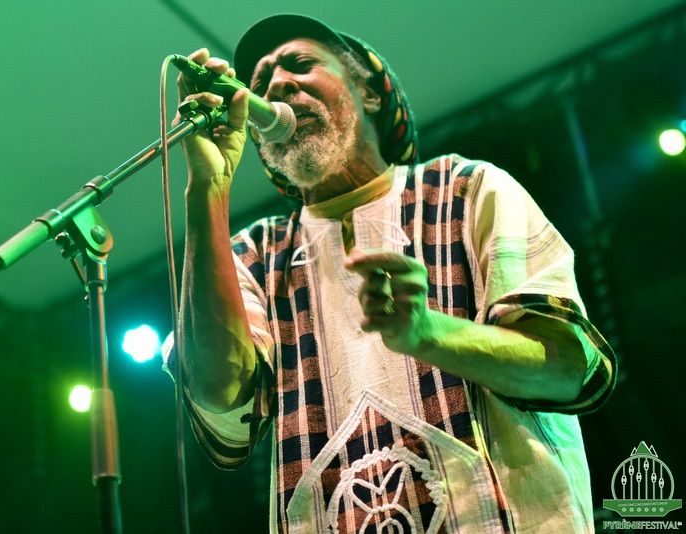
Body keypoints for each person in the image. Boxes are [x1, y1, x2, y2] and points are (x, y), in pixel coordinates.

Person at [165, 13, 616, 533]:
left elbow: (569, 370)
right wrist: (207, 189)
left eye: (299, 64)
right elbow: (220, 395)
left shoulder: (468, 190)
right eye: (261, 80)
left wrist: (430, 333)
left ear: (369, 93)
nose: (277, 85)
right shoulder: (254, 255)